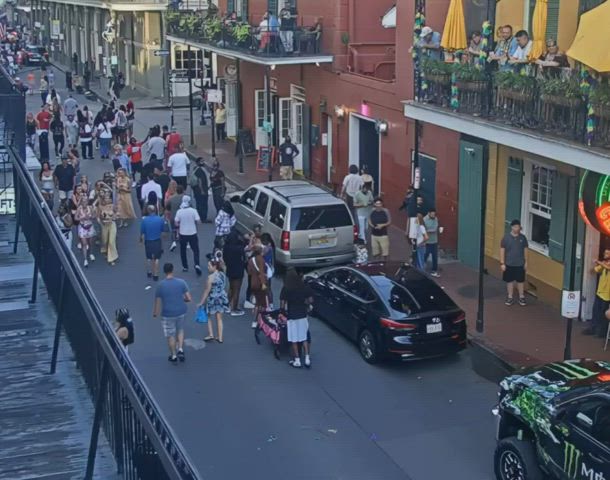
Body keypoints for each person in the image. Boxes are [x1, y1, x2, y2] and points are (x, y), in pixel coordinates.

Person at [153, 262, 191, 363]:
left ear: (164, 271)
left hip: (167, 313)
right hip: (181, 310)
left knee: (170, 334)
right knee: (180, 330)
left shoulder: (160, 285)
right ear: (172, 270)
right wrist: (184, 300)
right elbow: (188, 298)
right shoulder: (181, 282)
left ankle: (173, 355)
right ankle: (181, 349)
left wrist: (155, 313)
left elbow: (157, 301)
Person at [280, 268, 313, 369]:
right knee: (304, 338)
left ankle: (297, 360)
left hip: (292, 316)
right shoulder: (304, 286)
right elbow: (310, 300)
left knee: (294, 339)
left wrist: (282, 312)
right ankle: (307, 359)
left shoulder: (286, 288)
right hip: (303, 315)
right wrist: (305, 303)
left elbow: (282, 304)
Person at [198, 256, 229, 343]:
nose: (208, 268)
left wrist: (201, 302)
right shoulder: (222, 274)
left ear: (214, 266)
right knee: (219, 318)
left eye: (209, 266)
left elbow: (206, 291)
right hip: (221, 298)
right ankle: (220, 337)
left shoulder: (210, 277)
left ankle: (211, 334)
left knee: (208, 316)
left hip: (212, 298)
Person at [500, 219, 528, 306]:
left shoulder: (523, 238)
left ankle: (521, 297)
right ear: (512, 227)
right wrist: (502, 263)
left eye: (518, 227)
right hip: (509, 263)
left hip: (520, 264)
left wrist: (526, 262)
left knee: (520, 281)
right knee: (510, 281)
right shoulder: (506, 238)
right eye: (515, 227)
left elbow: (526, 250)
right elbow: (502, 250)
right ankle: (510, 297)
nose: (517, 228)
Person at [583, 249, 610, 338]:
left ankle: (602, 333)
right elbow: (594, 270)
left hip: (607, 295)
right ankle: (592, 329)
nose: (605, 254)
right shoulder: (604, 263)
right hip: (599, 292)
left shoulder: (606, 265)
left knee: (604, 315)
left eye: (607, 253)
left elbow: (608, 267)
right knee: (595, 311)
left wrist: (598, 262)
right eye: (605, 252)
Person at [175, 195, 202, 275]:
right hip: (192, 232)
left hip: (183, 233)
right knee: (195, 250)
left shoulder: (179, 211)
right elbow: (198, 221)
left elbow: (176, 222)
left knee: (183, 250)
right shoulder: (193, 211)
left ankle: (185, 266)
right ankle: (196, 264)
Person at [223, 230, 246, 316]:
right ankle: (234, 309)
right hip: (238, 270)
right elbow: (244, 258)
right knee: (237, 290)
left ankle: (228, 305)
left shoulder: (226, 247)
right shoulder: (239, 248)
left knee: (231, 288)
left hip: (230, 269)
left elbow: (224, 259)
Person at [140, 205, 165, 281]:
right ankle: (156, 274)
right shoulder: (160, 219)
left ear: (148, 211)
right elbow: (162, 230)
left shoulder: (144, 220)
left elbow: (142, 232)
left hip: (148, 241)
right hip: (157, 240)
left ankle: (149, 272)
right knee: (157, 258)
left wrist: (141, 240)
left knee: (149, 258)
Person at [247, 244, 269, 328]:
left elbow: (249, 272)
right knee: (262, 303)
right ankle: (258, 321)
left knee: (257, 302)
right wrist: (263, 283)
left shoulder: (250, 260)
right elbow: (262, 273)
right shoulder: (260, 259)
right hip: (260, 283)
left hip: (253, 283)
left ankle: (256, 320)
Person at [97, 189, 119, 265]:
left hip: (112, 224)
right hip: (104, 225)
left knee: (111, 241)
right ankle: (106, 250)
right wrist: (101, 221)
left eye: (108, 197)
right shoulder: (100, 207)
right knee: (105, 241)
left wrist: (114, 217)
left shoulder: (113, 206)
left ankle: (112, 258)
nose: (107, 199)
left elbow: (117, 214)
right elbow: (98, 217)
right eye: (105, 197)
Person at [74, 196, 96, 267]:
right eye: (83, 201)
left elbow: (94, 216)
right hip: (82, 228)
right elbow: (75, 218)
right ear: (81, 202)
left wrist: (90, 217)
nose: (84, 202)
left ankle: (91, 253)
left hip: (90, 227)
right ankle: (85, 259)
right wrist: (82, 218)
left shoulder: (90, 208)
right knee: (84, 244)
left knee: (90, 243)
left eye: (86, 201)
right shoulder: (79, 208)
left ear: (87, 202)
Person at [166, 184, 186, 252]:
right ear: (183, 191)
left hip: (173, 216)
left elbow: (168, 207)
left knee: (173, 229)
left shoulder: (171, 198)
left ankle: (174, 241)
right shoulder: (185, 198)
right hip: (183, 217)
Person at [190, 157, 209, 223]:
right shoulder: (200, 171)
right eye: (201, 161)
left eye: (203, 161)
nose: (203, 162)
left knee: (199, 203)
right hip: (201, 190)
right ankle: (203, 218)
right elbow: (200, 181)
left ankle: (199, 217)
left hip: (196, 190)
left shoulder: (195, 169)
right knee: (203, 204)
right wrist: (202, 191)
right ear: (198, 162)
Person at [423, 209, 440, 277]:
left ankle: (434, 271)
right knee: (425, 256)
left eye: (434, 214)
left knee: (435, 257)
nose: (433, 216)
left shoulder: (435, 219)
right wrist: (429, 230)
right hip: (427, 242)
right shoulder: (424, 220)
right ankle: (421, 269)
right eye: (432, 214)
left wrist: (428, 230)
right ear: (429, 213)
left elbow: (435, 228)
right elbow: (423, 230)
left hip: (434, 241)